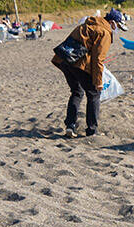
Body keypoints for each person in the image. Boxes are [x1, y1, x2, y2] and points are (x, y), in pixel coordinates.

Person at [51, 9, 126, 137]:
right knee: (94, 94)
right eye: (118, 26)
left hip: (63, 60)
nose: (117, 29)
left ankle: (70, 125)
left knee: (77, 92)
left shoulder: (87, 24)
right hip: (77, 63)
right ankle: (92, 130)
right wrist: (98, 81)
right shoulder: (104, 32)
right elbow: (98, 59)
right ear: (112, 22)